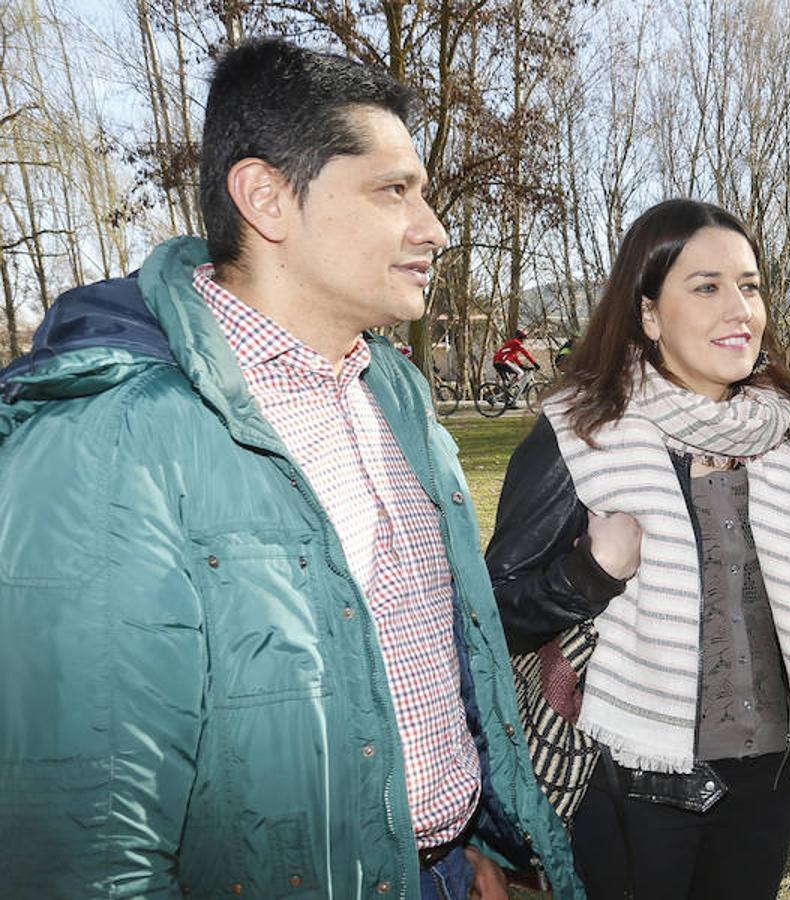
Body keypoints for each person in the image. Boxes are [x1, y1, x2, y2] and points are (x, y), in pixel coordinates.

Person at [0, 38, 579, 900]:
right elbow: (83, 833)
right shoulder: (106, 439)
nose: (435, 229)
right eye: (394, 191)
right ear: (267, 196)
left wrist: (469, 842)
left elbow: (430, 656)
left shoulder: (397, 393)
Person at [484, 198, 790, 899]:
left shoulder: (773, 444)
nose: (740, 308)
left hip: (764, 780)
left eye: (749, 286)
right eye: (707, 286)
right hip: (629, 787)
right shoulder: (579, 438)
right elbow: (490, 615)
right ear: (649, 314)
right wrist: (589, 573)